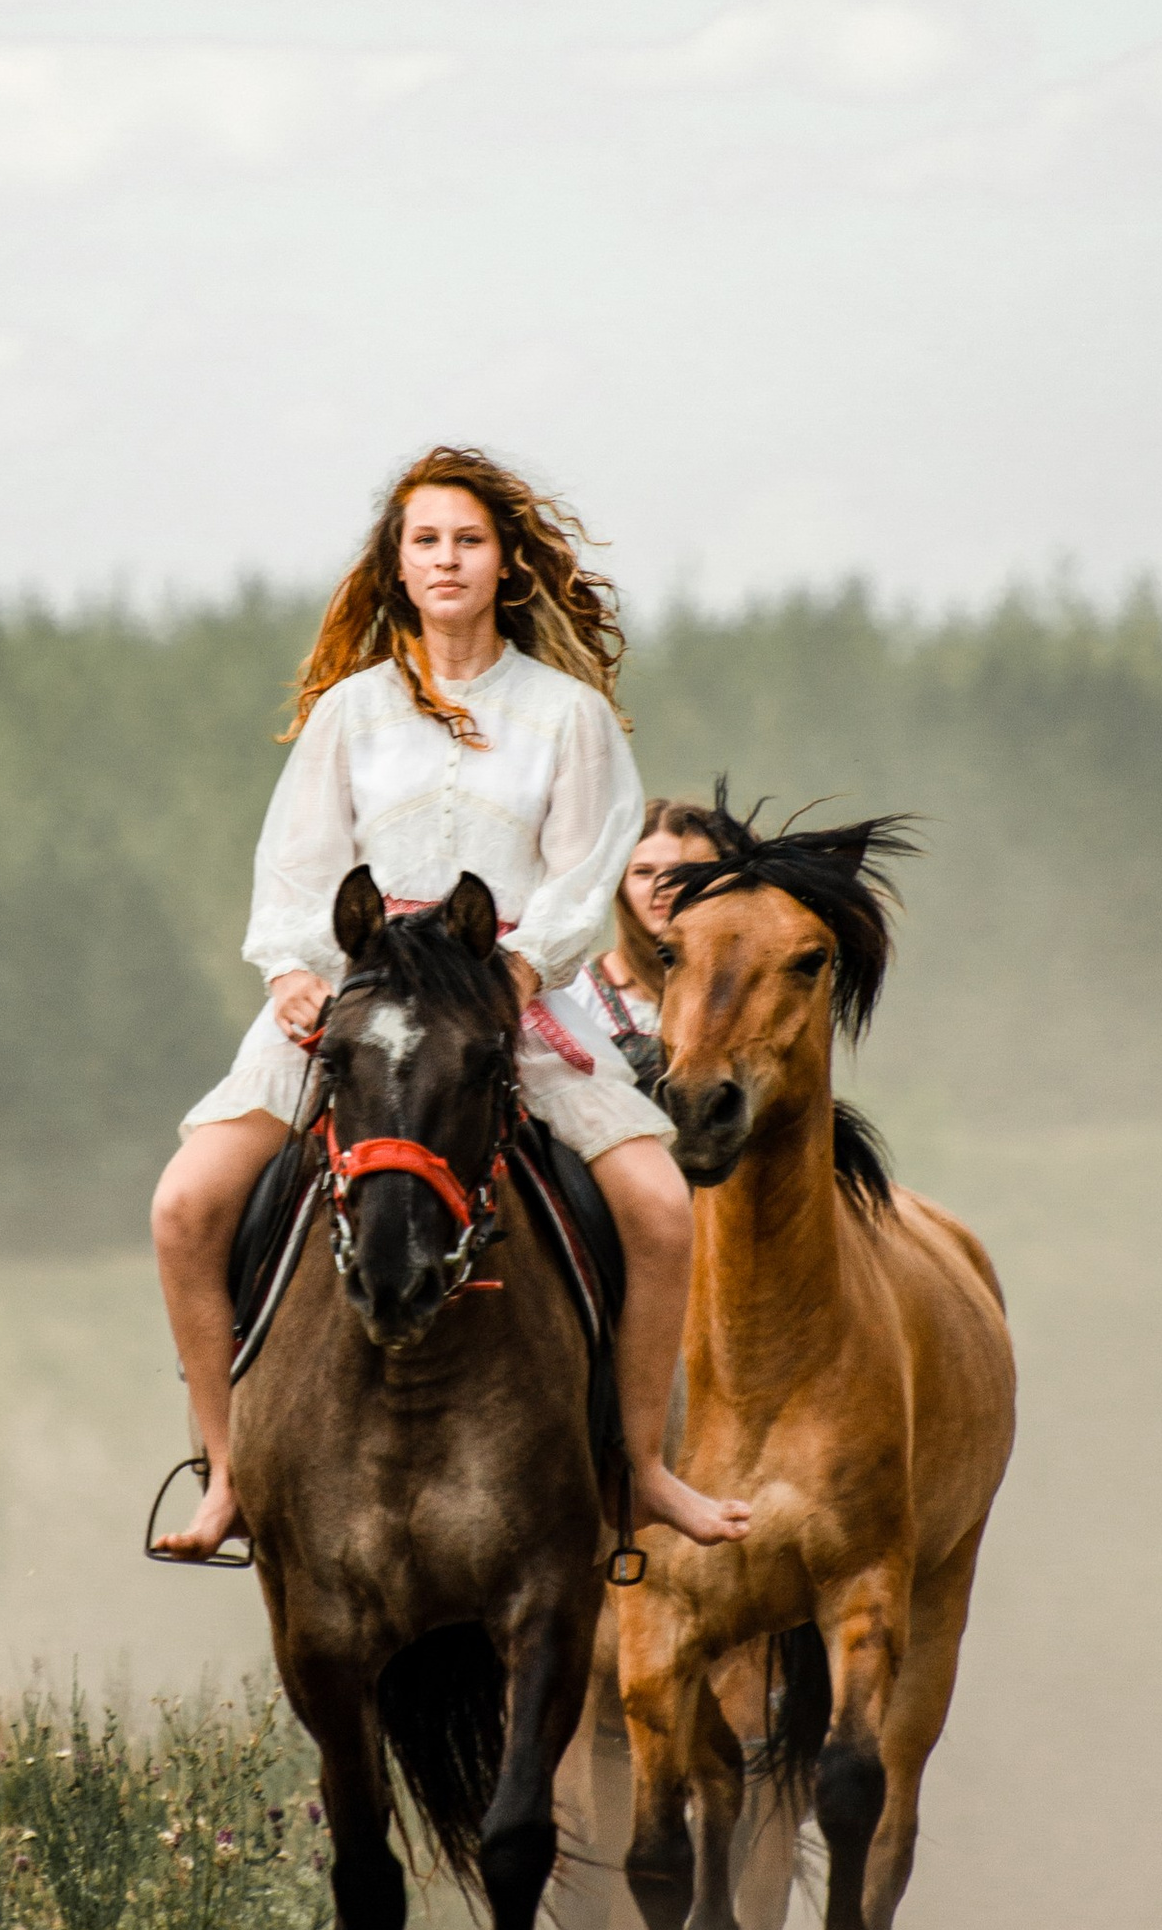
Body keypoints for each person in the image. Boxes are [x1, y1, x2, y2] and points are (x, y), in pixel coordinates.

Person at [150, 449, 753, 1561]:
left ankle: (641, 1467)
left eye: (467, 540)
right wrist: (292, 973)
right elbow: (297, 863)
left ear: (503, 562)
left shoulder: (568, 717)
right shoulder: (350, 713)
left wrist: (518, 972)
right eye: (425, 540)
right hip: (362, 997)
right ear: (397, 561)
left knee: (660, 1208)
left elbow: (583, 871)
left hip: (509, 998)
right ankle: (229, 1472)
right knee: (186, 1206)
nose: (446, 559)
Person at [544, 795, 720, 1098]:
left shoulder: (739, 991)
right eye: (643, 872)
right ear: (620, 882)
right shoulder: (574, 994)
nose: (662, 887)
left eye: (682, 871)